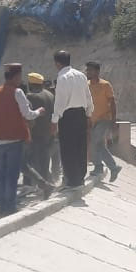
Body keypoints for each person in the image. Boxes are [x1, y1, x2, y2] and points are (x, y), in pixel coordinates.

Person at [0, 63, 45, 217]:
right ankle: (10, 206)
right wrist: (38, 112)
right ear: (15, 77)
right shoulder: (17, 92)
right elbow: (27, 114)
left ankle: (1, 208)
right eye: (20, 76)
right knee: (12, 175)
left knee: (1, 176)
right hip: (14, 139)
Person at [51, 50, 93, 189]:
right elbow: (88, 97)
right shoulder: (81, 76)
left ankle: (71, 181)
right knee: (80, 146)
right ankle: (80, 178)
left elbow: (60, 101)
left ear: (57, 63)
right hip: (81, 114)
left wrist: (54, 120)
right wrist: (89, 114)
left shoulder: (62, 77)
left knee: (68, 148)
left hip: (67, 117)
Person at [85, 61, 121, 182]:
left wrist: (114, 121)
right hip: (92, 119)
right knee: (98, 144)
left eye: (90, 70)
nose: (88, 72)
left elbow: (112, 103)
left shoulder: (105, 85)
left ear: (97, 71)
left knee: (95, 142)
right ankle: (113, 167)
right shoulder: (87, 84)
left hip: (105, 118)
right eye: (87, 70)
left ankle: (99, 167)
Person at [24, 73, 55, 185]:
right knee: (44, 161)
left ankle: (31, 185)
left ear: (30, 84)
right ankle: (48, 182)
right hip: (48, 133)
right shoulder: (50, 95)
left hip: (35, 134)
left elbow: (28, 117)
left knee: (29, 161)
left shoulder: (31, 96)